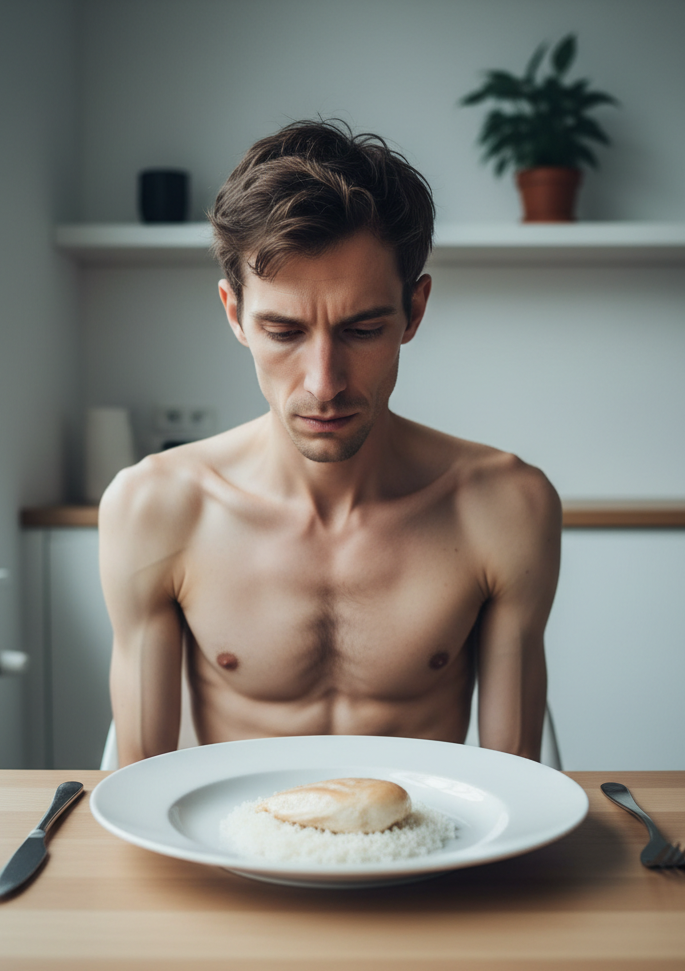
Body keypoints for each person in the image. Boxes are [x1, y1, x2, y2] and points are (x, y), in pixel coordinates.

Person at [99, 120, 561, 768]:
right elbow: (139, 790)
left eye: (363, 328)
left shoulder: (506, 506)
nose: (324, 383)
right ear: (235, 315)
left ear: (415, 311)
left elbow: (515, 788)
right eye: (283, 331)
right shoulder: (154, 506)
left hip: (428, 864)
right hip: (233, 864)